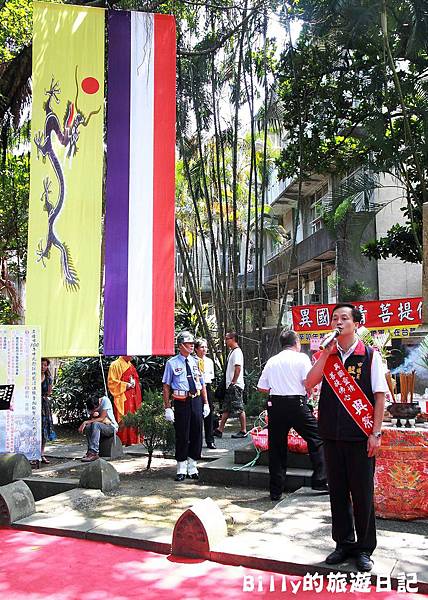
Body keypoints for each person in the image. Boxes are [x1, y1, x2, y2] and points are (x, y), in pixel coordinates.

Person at [305, 303, 388, 572]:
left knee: (362, 494)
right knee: (337, 493)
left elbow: (379, 396)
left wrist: (375, 433)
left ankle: (364, 549)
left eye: (344, 318)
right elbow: (309, 383)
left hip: (360, 438)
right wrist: (324, 354)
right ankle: (343, 544)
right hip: (331, 435)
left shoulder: (369, 355)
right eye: (335, 318)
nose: (338, 322)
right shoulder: (327, 355)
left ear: (356, 324)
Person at [257, 329, 328, 501]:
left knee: (277, 447)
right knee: (317, 438)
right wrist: (309, 392)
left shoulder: (272, 361)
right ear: (296, 343)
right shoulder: (301, 358)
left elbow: (261, 387)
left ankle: (276, 490)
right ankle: (320, 479)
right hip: (297, 404)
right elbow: (308, 381)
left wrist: (279, 386)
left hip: (276, 406)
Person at [162, 331, 210, 481]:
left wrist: (206, 403)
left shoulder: (196, 362)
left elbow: (202, 384)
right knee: (182, 434)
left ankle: (192, 465)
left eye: (192, 344)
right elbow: (166, 387)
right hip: (181, 401)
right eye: (189, 344)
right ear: (181, 345)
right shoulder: (172, 363)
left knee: (196, 432)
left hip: (195, 400)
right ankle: (181, 467)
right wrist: (167, 407)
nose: (192, 346)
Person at [213, 331, 247, 439]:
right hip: (230, 385)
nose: (226, 340)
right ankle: (220, 430)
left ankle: (243, 430)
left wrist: (233, 381)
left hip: (235, 385)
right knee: (226, 408)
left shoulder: (237, 352)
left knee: (239, 407)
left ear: (233, 339)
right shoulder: (231, 352)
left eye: (227, 338)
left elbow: (238, 367)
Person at [107, 356, 142, 446]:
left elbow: (136, 379)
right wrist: (126, 385)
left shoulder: (130, 365)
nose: (133, 355)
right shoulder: (115, 365)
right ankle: (122, 440)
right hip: (123, 396)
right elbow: (111, 382)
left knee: (133, 416)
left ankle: (133, 439)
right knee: (124, 417)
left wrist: (134, 382)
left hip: (133, 396)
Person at [78, 396, 119, 462]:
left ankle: (94, 452)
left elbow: (102, 418)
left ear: (99, 403)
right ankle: (90, 451)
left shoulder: (105, 401)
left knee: (95, 424)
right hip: (100, 427)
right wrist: (92, 416)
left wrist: (85, 422)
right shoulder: (90, 405)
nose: (94, 410)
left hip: (111, 427)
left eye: (95, 409)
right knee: (88, 426)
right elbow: (92, 419)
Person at [194, 338, 216, 449]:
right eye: (202, 347)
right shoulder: (193, 361)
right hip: (196, 389)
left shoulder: (209, 361)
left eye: (206, 347)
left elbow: (210, 377)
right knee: (197, 415)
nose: (204, 349)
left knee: (209, 414)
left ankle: (210, 440)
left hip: (207, 386)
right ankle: (197, 441)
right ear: (196, 349)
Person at [40, 358, 55, 464]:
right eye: (41, 365)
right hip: (33, 404)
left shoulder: (48, 378)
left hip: (44, 404)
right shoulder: (32, 375)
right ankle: (33, 453)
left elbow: (49, 392)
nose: (43, 367)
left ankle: (41, 454)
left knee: (44, 429)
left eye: (45, 365)